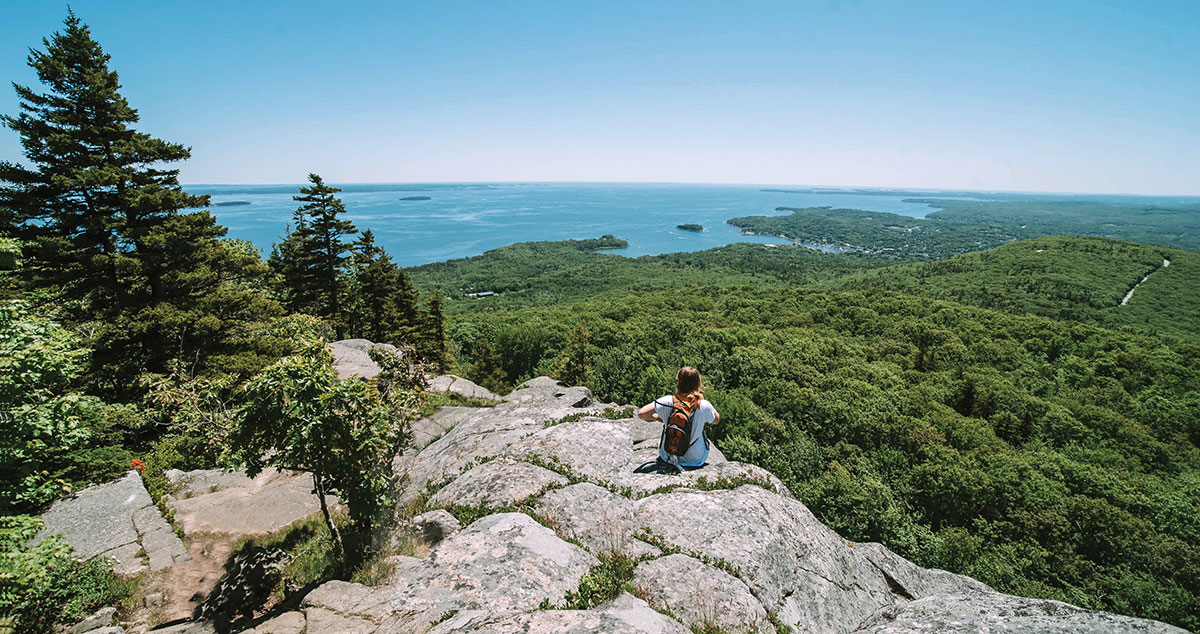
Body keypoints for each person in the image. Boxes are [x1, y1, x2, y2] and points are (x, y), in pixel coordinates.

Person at [635, 366, 719, 472]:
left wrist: (657, 417)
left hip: (667, 456)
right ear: (698, 383)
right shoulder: (703, 405)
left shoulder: (667, 401)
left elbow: (642, 413)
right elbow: (716, 420)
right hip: (695, 459)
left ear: (678, 382)